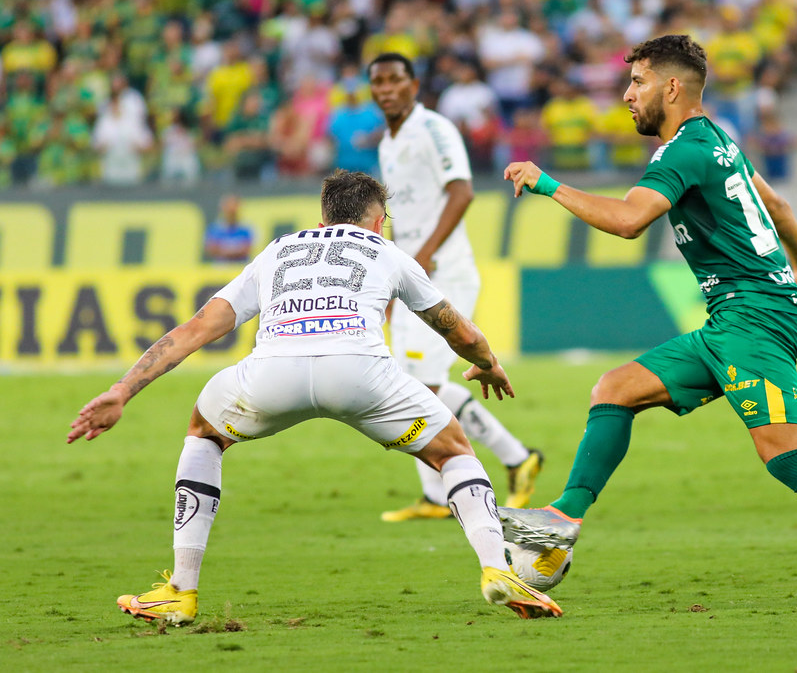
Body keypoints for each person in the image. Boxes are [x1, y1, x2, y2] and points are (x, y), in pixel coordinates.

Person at [500, 35, 797, 599]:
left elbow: (630, 221)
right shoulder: (716, 139)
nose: (627, 96)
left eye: (637, 83)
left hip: (754, 316)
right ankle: (564, 518)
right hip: (734, 316)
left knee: (785, 453)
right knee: (615, 389)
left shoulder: (682, 151)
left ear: (672, 87)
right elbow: (776, 206)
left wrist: (548, 184)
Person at [66, 170, 562, 624]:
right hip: (360, 375)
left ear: (322, 216)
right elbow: (456, 329)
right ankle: (497, 570)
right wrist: (489, 362)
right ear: (378, 219)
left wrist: (121, 390)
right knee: (453, 451)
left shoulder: (279, 251)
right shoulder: (386, 251)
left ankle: (180, 589)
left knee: (203, 431)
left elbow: (199, 328)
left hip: (271, 376)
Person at [368, 52, 543, 521]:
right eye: (377, 82)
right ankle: (438, 492)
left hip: (443, 272)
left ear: (414, 84)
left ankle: (515, 457)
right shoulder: (388, 142)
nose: (385, 89)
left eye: (394, 80)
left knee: (421, 384)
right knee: (409, 384)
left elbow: (461, 191)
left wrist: (423, 254)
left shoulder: (435, 128)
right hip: (409, 274)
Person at [204, 194, 254, 263]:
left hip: (240, 267)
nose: (231, 211)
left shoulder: (247, 229)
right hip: (221, 268)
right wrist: (237, 250)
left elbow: (247, 249)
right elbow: (211, 249)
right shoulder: (214, 229)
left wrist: (223, 250)